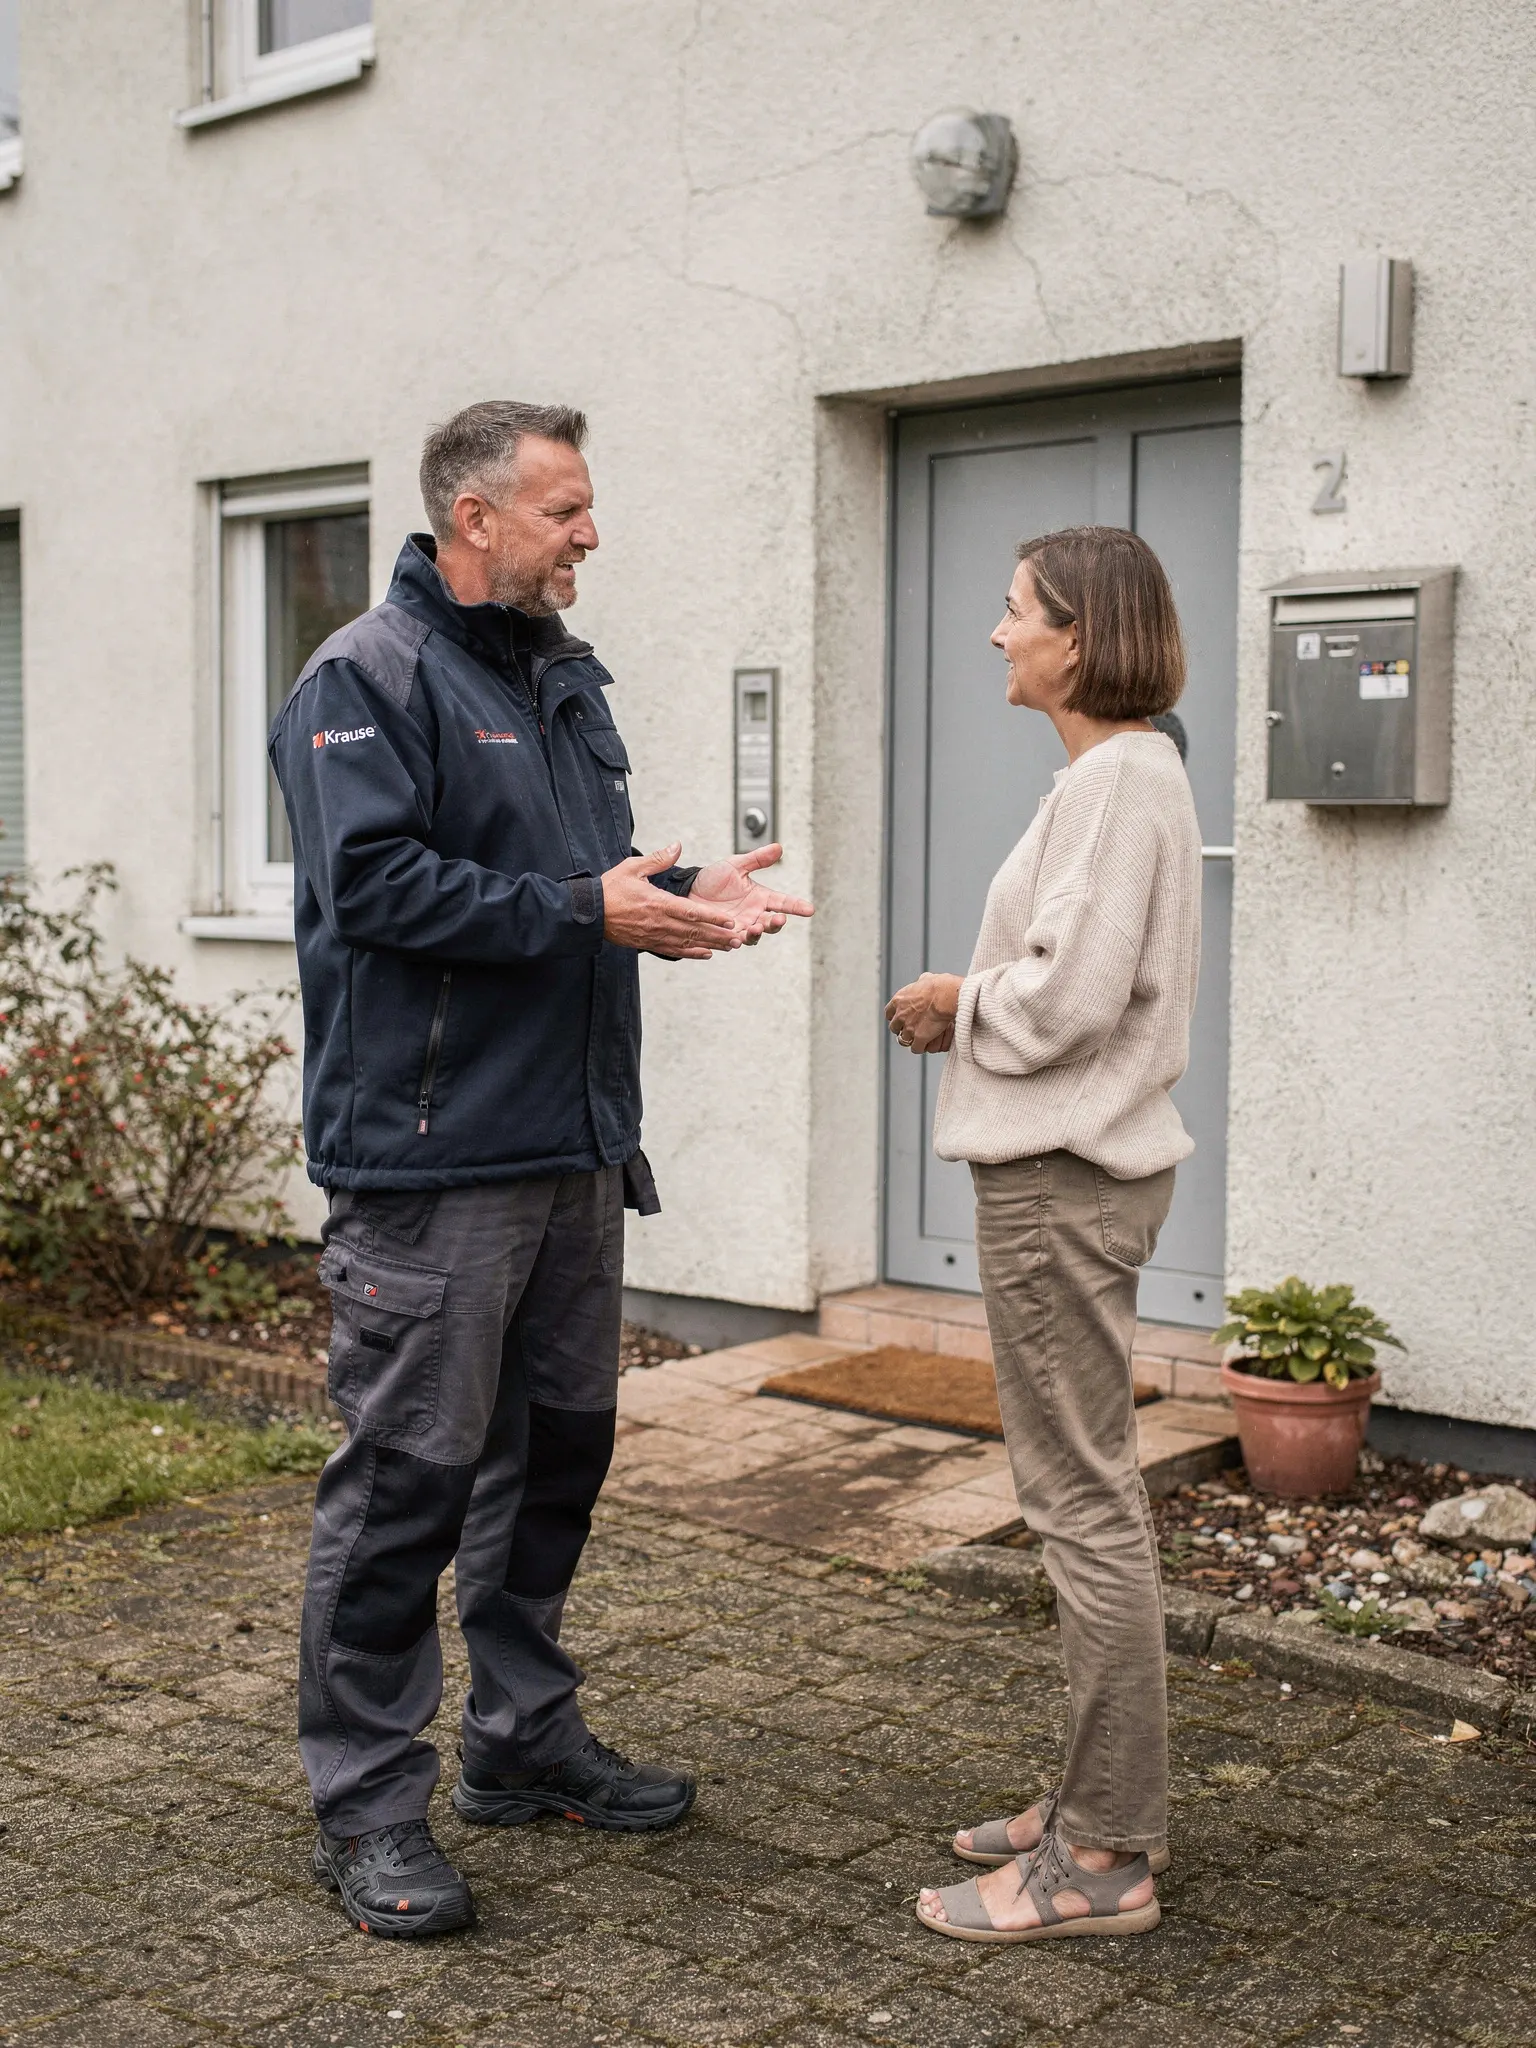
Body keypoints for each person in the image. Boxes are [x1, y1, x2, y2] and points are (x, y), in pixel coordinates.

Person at [270, 400, 812, 1939]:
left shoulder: (560, 676)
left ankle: (519, 1744)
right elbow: (375, 889)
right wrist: (594, 911)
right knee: (403, 1493)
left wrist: (683, 893)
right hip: (434, 1167)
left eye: (588, 508)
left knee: (553, 1464)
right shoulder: (359, 681)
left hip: (572, 1147)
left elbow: (575, 880)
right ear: (475, 517)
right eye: (566, 510)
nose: (591, 535)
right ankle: (369, 1807)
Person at [885, 526, 1201, 1944]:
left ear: (1079, 637)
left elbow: (1071, 997)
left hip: (1062, 1182)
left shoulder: (1121, 780)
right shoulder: (1113, 778)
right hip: (1072, 1177)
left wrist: (957, 1000)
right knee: (1087, 1494)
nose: (997, 635)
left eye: (1016, 614)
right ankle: (1088, 1803)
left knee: (1080, 1504)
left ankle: (1106, 1856)